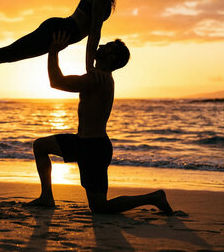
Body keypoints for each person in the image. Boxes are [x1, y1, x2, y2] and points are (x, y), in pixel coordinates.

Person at [26, 31, 174, 215]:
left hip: (94, 148)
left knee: (99, 207)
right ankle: (46, 197)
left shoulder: (98, 79)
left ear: (111, 57)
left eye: (107, 46)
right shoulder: (98, 75)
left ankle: (154, 198)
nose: (100, 46)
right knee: (40, 146)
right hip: (82, 142)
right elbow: (91, 49)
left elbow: (56, 82)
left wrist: (54, 51)